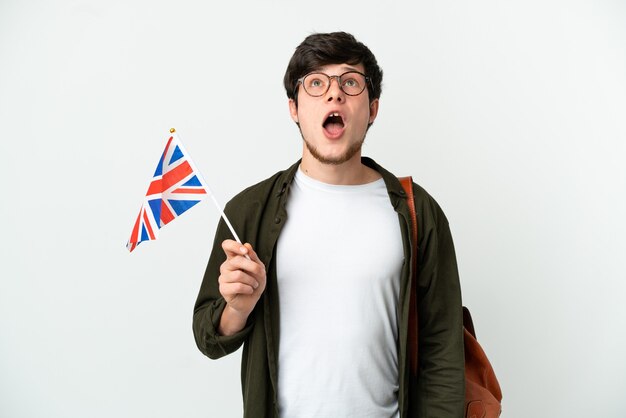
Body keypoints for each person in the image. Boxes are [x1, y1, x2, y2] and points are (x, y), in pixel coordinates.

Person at [193, 31, 465, 418]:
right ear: (294, 108)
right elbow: (207, 335)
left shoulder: (417, 210)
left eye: (350, 83)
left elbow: (442, 346)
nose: (334, 94)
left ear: (372, 109)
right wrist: (237, 309)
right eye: (316, 83)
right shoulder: (248, 211)